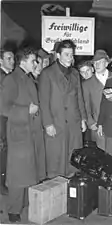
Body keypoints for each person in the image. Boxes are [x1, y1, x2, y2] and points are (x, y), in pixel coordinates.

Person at [2, 47, 40, 223]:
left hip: (29, 131)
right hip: (18, 133)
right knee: (17, 174)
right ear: (23, 61)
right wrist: (26, 110)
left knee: (27, 171)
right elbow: (3, 108)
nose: (36, 63)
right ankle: (13, 210)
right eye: (34, 60)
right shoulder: (12, 80)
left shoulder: (27, 78)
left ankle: (23, 203)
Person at [38, 39, 87, 178]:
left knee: (73, 159)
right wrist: (48, 124)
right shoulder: (47, 74)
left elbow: (79, 98)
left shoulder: (75, 74)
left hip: (73, 123)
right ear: (58, 55)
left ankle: (71, 192)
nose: (70, 58)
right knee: (56, 160)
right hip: (56, 123)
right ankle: (55, 190)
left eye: (72, 55)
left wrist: (83, 119)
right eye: (66, 54)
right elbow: (44, 101)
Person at [82, 50, 112, 150]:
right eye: (95, 63)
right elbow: (86, 105)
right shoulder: (87, 84)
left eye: (100, 61)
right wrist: (90, 122)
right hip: (97, 125)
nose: (97, 65)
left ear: (107, 63)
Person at [0, 48, 15, 195]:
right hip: (2, 117)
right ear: (1, 61)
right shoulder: (3, 77)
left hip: (7, 116)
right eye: (8, 58)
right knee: (2, 148)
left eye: (12, 58)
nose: (12, 61)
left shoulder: (9, 76)